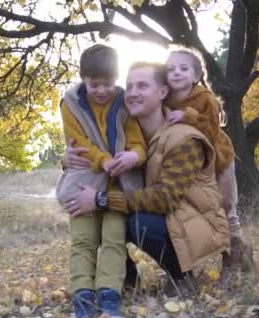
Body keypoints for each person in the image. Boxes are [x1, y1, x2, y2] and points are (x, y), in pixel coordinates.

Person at [65, 61, 230, 292]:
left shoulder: (184, 138)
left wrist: (101, 199)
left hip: (195, 224)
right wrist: (69, 159)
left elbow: (165, 198)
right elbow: (101, 160)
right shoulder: (129, 137)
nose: (132, 93)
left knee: (137, 221)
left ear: (162, 92)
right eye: (129, 86)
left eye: (142, 86)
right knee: (106, 216)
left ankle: (182, 278)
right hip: (173, 220)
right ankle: (128, 279)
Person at [57, 44, 146, 318]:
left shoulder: (124, 102)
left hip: (118, 187)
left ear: (116, 78)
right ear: (83, 77)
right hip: (84, 182)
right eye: (95, 84)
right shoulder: (70, 103)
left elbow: (136, 141)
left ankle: (110, 297)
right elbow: (78, 144)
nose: (101, 91)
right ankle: (82, 297)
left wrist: (134, 156)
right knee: (83, 240)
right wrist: (104, 160)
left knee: (113, 239)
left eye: (108, 83)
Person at [164, 48, 255, 271]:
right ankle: (192, 263)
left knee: (226, 206)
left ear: (196, 76)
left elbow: (212, 129)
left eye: (183, 69)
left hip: (220, 159)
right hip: (193, 166)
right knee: (202, 211)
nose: (176, 73)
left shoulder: (205, 98)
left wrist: (188, 116)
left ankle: (236, 257)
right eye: (171, 69)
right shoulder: (164, 98)